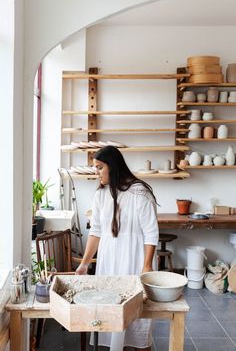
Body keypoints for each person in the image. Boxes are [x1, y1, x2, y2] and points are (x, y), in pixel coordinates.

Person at [76, 145, 159, 351]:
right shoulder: (101, 194)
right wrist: (85, 264)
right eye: (95, 167)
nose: (97, 172)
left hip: (135, 259)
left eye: (99, 167)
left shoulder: (140, 192)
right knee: (111, 312)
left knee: (139, 318)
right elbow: (95, 231)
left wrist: (147, 266)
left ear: (112, 167)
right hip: (110, 260)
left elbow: (151, 232)